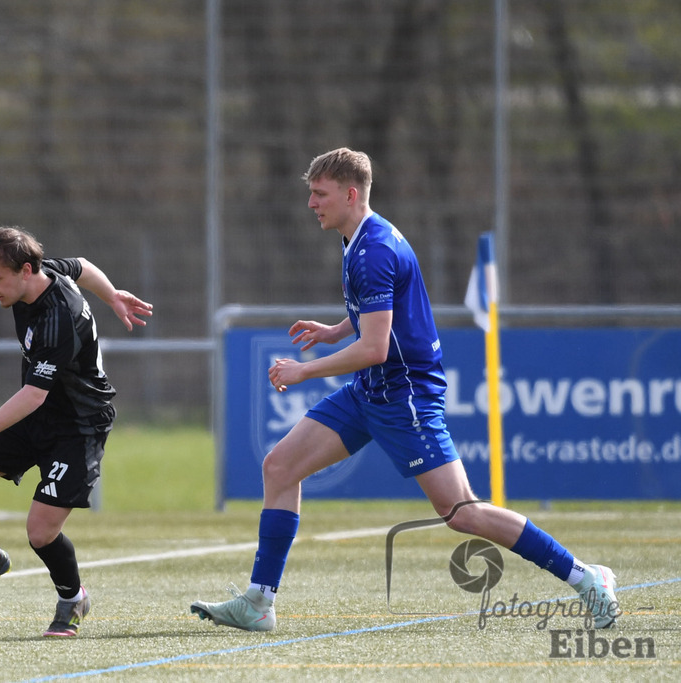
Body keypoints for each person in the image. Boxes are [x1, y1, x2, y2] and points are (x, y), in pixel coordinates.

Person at [190, 147, 619, 632]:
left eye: (319, 194)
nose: (311, 203)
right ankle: (259, 602)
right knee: (280, 466)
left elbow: (375, 348)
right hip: (370, 391)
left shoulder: (373, 250)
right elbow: (379, 322)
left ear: (351, 194)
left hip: (403, 397)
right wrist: (335, 331)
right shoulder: (360, 236)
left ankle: (586, 577)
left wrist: (304, 371)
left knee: (461, 512)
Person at [0, 226, 152, 637]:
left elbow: (34, 395)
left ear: (25, 270)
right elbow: (83, 266)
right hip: (39, 414)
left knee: (40, 531)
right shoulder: (46, 272)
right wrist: (113, 296)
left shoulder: (57, 318)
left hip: (77, 426)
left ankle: (72, 599)